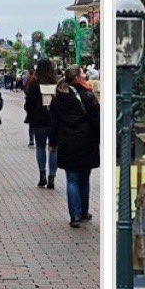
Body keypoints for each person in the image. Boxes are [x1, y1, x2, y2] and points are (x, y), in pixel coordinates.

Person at [48, 65, 99, 228]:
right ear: (77, 78)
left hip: (67, 141)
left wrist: (53, 142)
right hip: (86, 141)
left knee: (72, 179)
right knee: (84, 178)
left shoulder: (58, 98)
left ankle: (74, 216)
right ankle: (83, 212)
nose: (85, 76)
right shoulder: (89, 96)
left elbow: (54, 123)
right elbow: (97, 121)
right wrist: (99, 139)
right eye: (83, 74)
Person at [24, 57, 59, 189]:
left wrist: (32, 116)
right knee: (54, 148)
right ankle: (52, 178)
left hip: (39, 121)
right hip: (54, 120)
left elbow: (29, 104)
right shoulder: (56, 83)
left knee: (40, 147)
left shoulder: (34, 84)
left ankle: (42, 175)